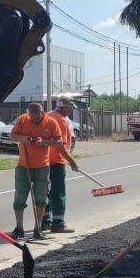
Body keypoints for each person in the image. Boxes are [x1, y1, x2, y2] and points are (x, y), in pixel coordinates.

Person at [8, 102, 64, 240]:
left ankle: (37, 228)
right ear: (28, 113)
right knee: (19, 197)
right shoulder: (23, 119)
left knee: (41, 199)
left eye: (36, 117)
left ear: (42, 113)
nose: (33, 120)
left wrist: (44, 142)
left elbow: (59, 142)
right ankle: (19, 228)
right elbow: (12, 136)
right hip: (23, 166)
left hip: (42, 167)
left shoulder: (51, 122)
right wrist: (23, 139)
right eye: (31, 117)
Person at [41, 99, 81, 233]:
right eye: (69, 108)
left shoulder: (47, 116)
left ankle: (45, 221)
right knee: (58, 192)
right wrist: (72, 162)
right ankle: (58, 223)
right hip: (57, 161)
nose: (70, 111)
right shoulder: (62, 120)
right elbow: (60, 145)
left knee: (45, 191)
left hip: (43, 160)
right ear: (63, 108)